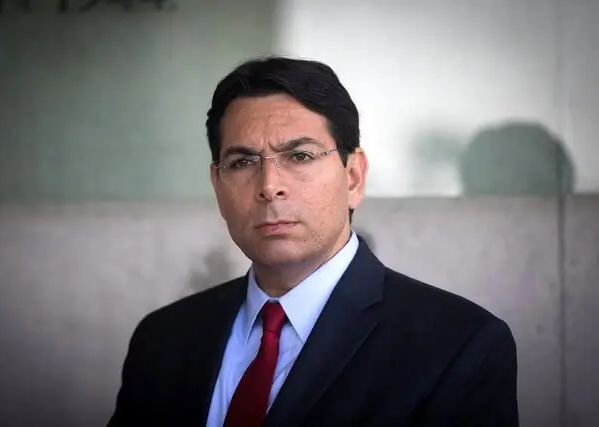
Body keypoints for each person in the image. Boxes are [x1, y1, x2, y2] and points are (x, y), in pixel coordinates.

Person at [107, 56, 519, 427]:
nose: (269, 186)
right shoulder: (163, 339)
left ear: (353, 177)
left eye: (299, 156)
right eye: (243, 161)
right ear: (217, 185)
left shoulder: (458, 345)